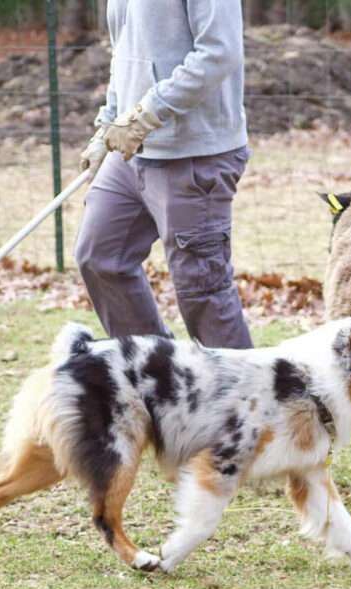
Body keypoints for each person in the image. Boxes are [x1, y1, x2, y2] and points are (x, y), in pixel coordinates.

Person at [74, 0, 252, 348]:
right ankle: (157, 373)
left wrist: (148, 113)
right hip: (131, 151)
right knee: (100, 258)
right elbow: (124, 54)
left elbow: (219, 53)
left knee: (203, 292)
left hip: (194, 153)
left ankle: (247, 399)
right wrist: (108, 121)